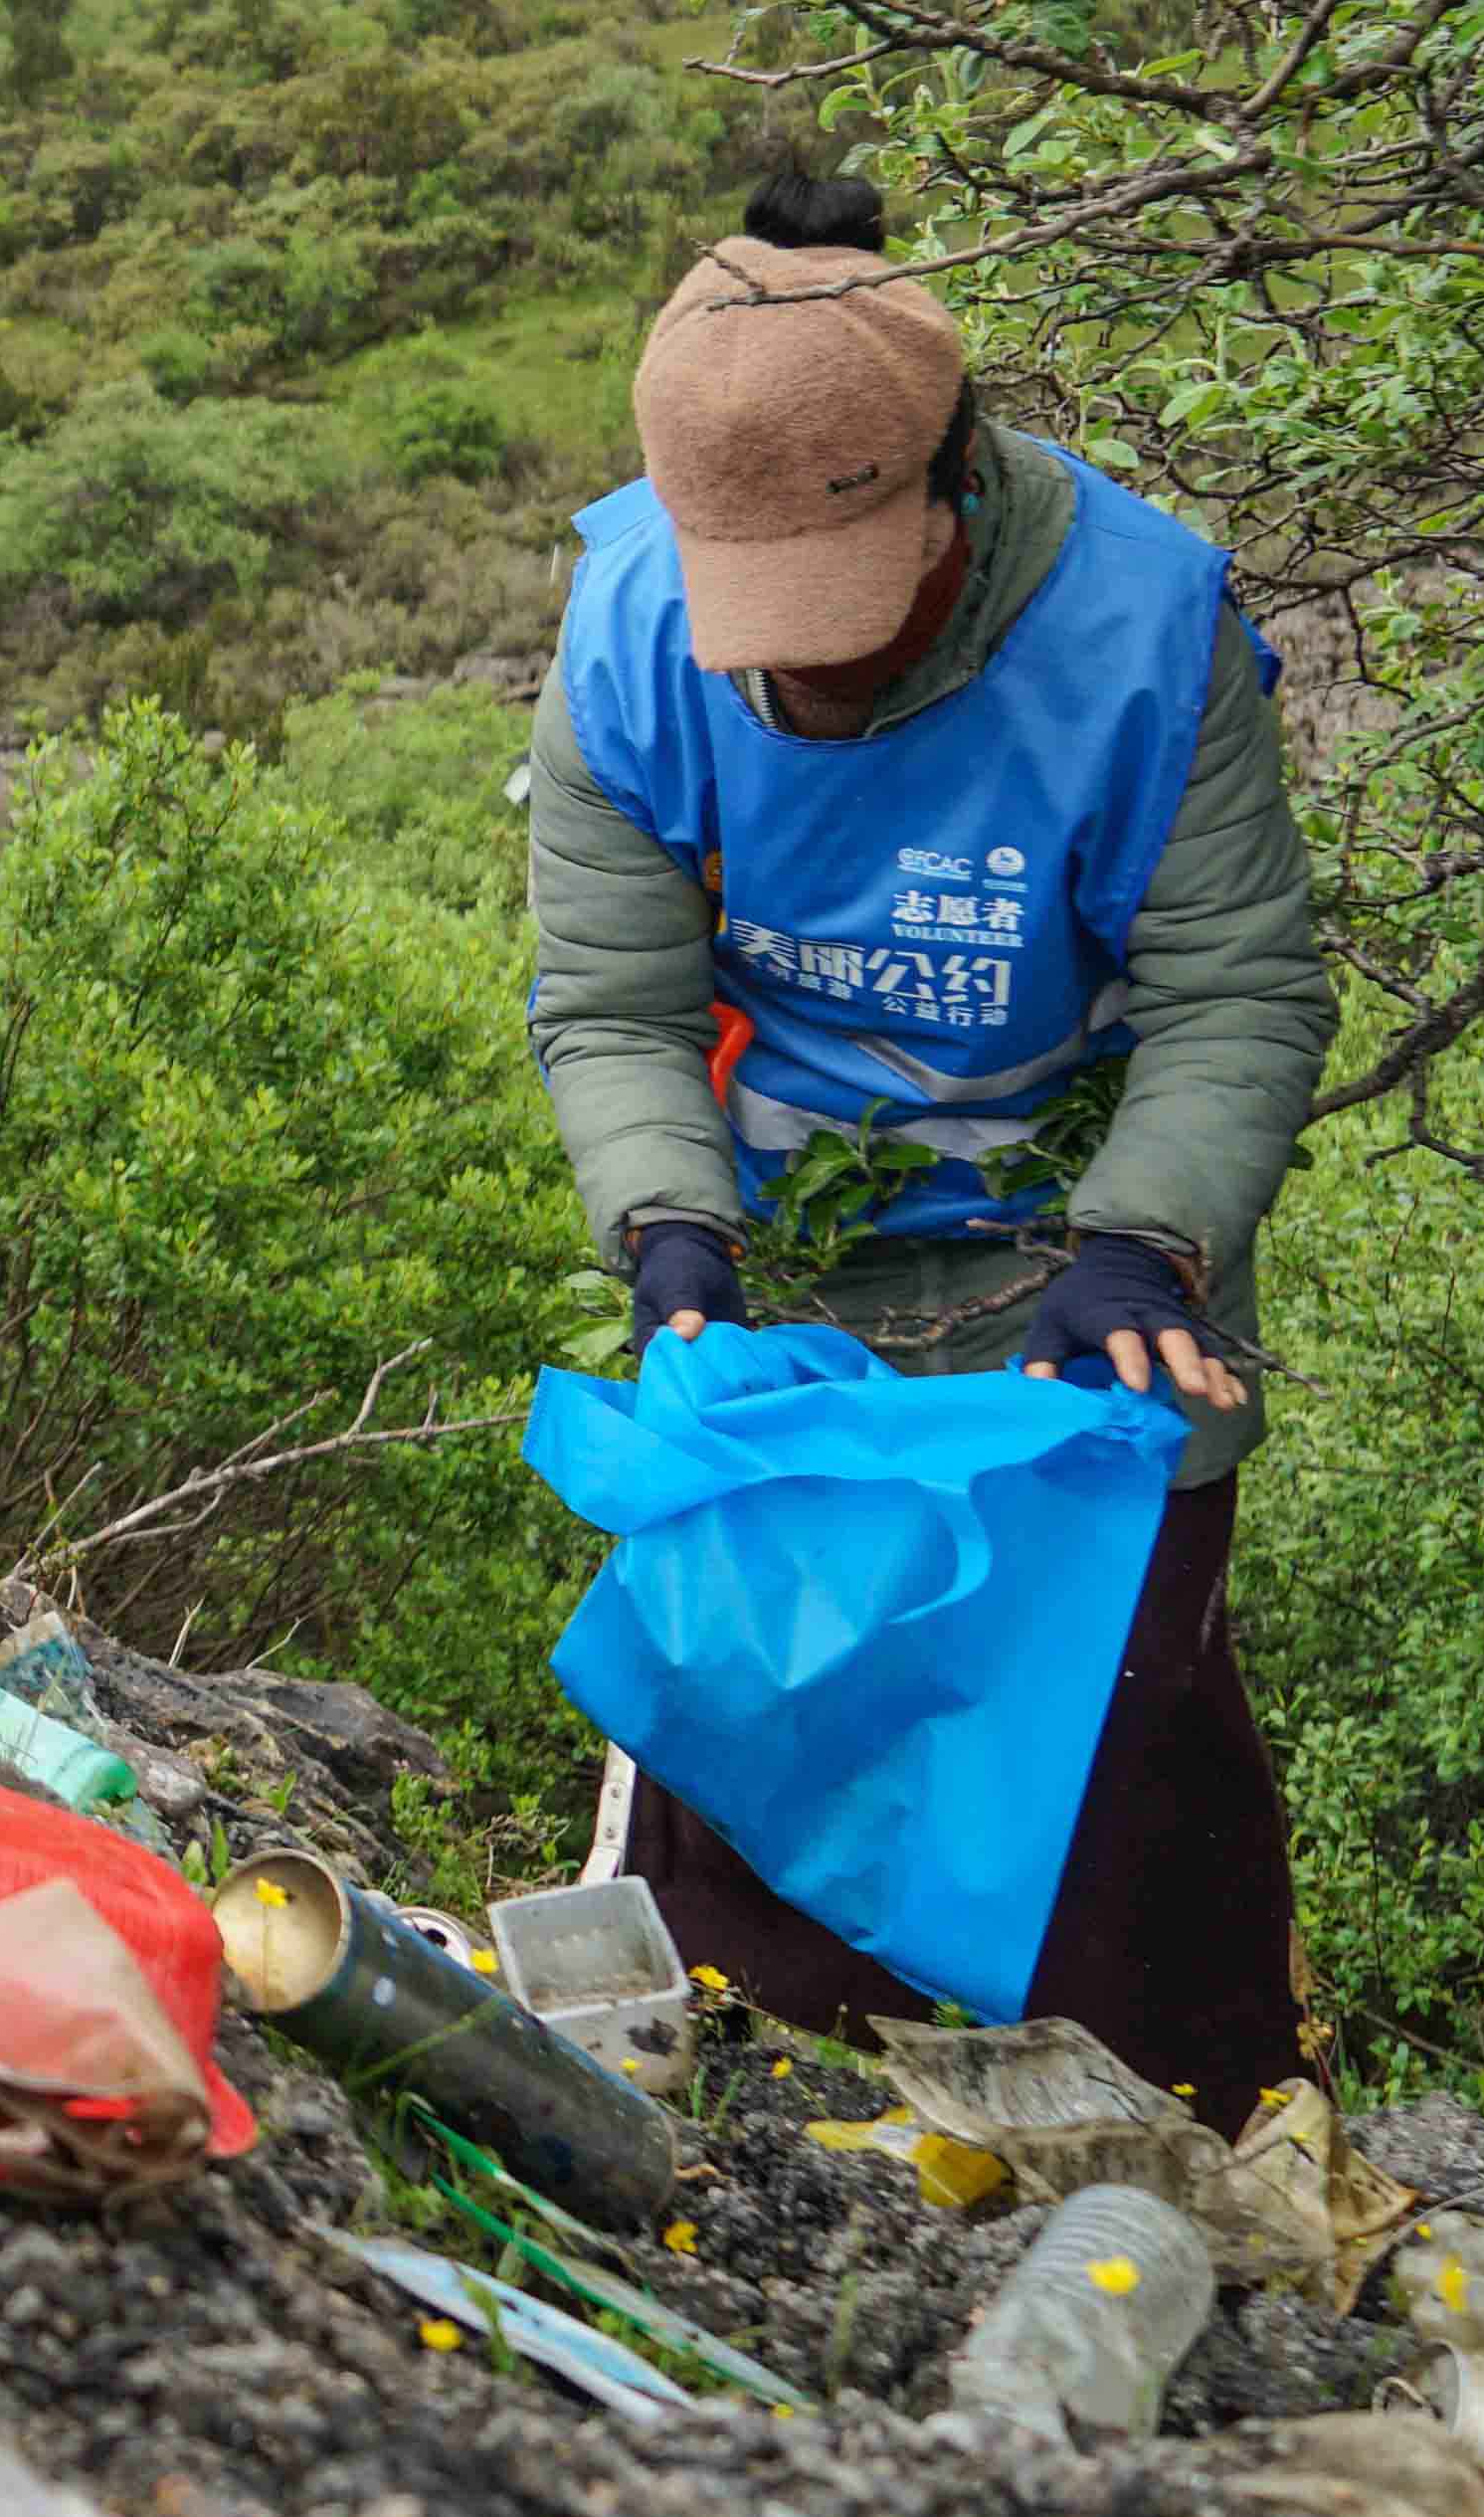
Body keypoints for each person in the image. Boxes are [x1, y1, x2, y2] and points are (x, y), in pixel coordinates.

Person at [522, 166, 1336, 2120]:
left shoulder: (1145, 632)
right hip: (791, 1270)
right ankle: (769, 2154)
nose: (801, 681)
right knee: (751, 1731)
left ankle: (1205, 2144)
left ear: (952, 489)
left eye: (843, 626)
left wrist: (1151, 1240)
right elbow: (613, 1003)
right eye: (763, 640)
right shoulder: (633, 623)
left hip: (1091, 1277)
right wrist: (672, 1238)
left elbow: (1238, 987)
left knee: (1124, 1744)